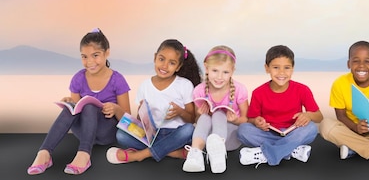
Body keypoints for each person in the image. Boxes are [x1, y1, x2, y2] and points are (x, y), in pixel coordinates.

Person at [27, 28, 131, 175]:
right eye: (84, 57)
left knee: (89, 105)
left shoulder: (117, 80)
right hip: (84, 131)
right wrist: (70, 103)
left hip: (106, 132)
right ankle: (44, 153)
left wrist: (116, 109)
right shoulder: (78, 78)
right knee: (71, 107)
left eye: (95, 55)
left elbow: (129, 120)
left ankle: (84, 154)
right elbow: (75, 112)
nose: (89, 62)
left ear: (107, 53)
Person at [106, 39, 202, 164]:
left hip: (175, 133)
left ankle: (140, 155)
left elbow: (192, 119)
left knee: (189, 130)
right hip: (152, 135)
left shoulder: (184, 85)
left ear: (178, 67)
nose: (164, 66)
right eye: (161, 59)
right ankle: (173, 153)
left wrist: (180, 112)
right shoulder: (145, 86)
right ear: (155, 58)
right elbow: (139, 122)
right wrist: (141, 114)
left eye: (172, 63)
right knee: (121, 135)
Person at [236, 45, 323, 166]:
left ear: (292, 69)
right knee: (243, 130)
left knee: (311, 129)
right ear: (267, 68)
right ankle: (291, 150)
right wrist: (257, 122)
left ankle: (266, 154)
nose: (281, 72)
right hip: (268, 133)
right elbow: (251, 119)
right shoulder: (258, 92)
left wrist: (308, 115)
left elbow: (319, 116)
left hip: (293, 132)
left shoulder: (302, 90)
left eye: (287, 68)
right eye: (276, 67)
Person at [183, 45, 249, 173]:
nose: (219, 77)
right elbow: (198, 122)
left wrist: (235, 120)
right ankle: (196, 153)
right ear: (206, 68)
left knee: (219, 114)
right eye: (215, 71)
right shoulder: (199, 90)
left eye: (225, 72)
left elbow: (246, 119)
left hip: (230, 139)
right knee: (205, 117)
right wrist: (199, 113)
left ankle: (218, 151)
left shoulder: (239, 89)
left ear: (232, 71)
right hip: (206, 142)